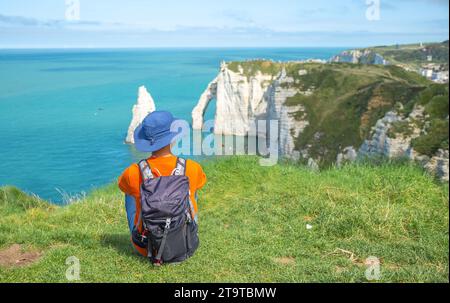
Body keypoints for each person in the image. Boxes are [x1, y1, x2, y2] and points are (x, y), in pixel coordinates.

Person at [118, 111, 206, 257]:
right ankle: (187, 229)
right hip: (186, 244)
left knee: (130, 194)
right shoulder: (192, 167)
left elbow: (121, 185)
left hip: (146, 248)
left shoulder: (132, 172)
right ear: (172, 138)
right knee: (191, 190)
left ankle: (138, 233)